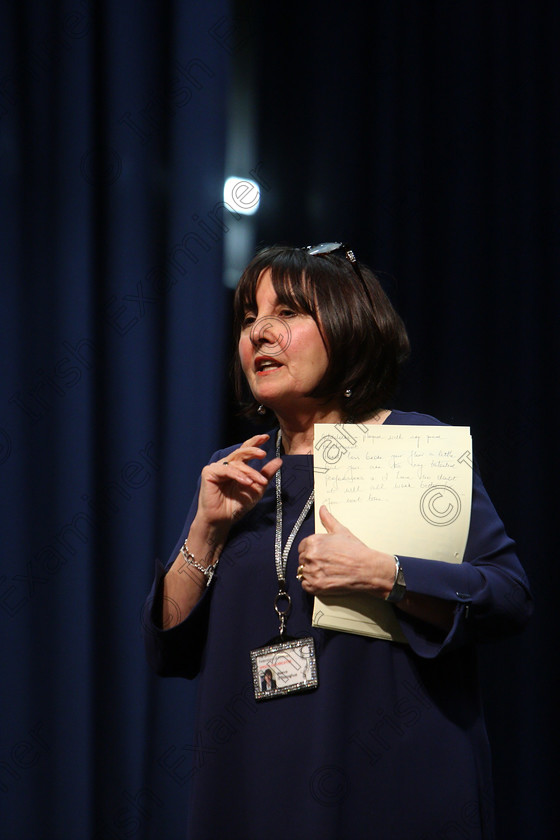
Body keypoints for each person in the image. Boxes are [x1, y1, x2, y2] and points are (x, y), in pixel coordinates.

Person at [144, 243, 533, 840]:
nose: (260, 334)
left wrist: (387, 575)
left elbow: (506, 598)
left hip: (391, 786)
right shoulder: (235, 470)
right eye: (249, 318)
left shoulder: (414, 445)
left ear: (348, 326)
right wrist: (206, 530)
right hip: (253, 787)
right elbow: (168, 647)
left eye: (288, 313)